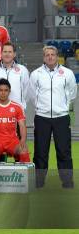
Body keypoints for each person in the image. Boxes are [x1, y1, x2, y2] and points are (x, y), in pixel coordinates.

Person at [30, 45, 77, 188]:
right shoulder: (36, 74)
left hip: (61, 117)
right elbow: (32, 95)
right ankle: (39, 181)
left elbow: (72, 94)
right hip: (42, 117)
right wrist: (41, 108)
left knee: (64, 151)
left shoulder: (67, 73)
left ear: (57, 56)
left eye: (53, 54)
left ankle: (67, 181)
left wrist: (62, 107)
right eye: (47, 55)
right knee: (40, 151)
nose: (50, 57)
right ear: (43, 57)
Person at [0, 78, 30, 165]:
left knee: (23, 149)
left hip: (12, 140)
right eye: (0, 90)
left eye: (6, 90)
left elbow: (22, 126)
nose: (3, 93)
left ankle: (26, 178)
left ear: (9, 91)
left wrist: (22, 140)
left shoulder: (17, 107)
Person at [0, 42, 32, 109]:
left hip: (18, 110)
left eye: (10, 52)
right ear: (1, 54)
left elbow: (27, 91)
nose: (7, 54)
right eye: (5, 52)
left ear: (14, 54)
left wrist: (21, 103)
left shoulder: (23, 70)